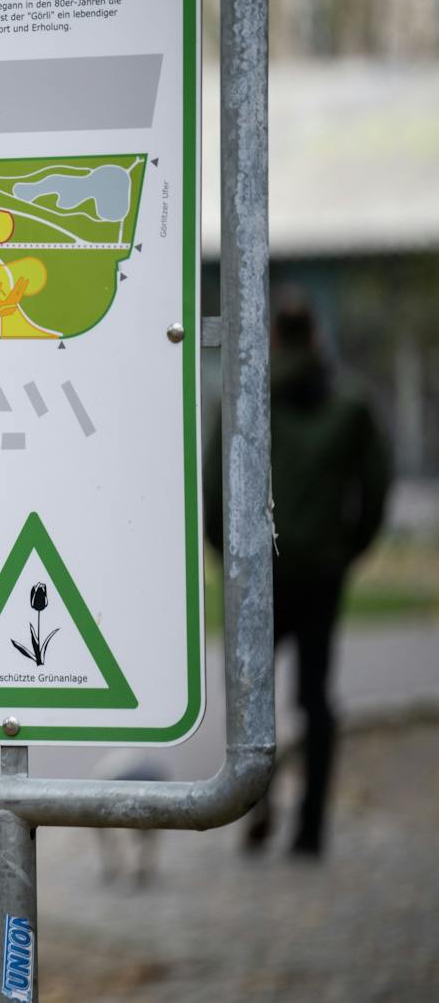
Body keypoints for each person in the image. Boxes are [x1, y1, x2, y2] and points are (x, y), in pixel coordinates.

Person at [205, 290, 390, 859]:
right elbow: (377, 489)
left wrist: (227, 556)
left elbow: (213, 487)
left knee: (252, 699)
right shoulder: (352, 404)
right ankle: (311, 831)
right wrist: (346, 549)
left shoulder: (244, 397)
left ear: (275, 338)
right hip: (322, 573)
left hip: (258, 575)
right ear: (316, 336)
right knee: (315, 699)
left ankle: (257, 805)